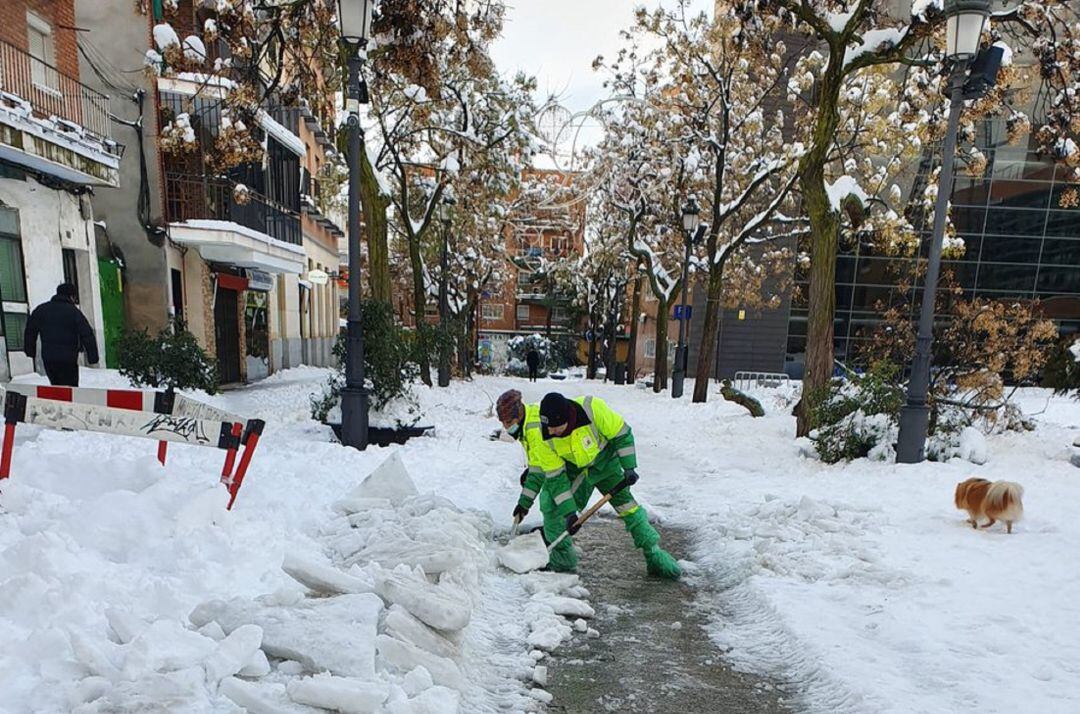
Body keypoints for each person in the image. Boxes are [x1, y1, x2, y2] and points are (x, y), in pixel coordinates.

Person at [496, 389, 681, 579]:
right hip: (577, 469)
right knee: (551, 503)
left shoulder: (593, 409)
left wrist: (629, 467)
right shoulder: (545, 436)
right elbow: (556, 479)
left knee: (627, 506)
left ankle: (653, 552)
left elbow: (622, 434)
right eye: (547, 429)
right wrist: (569, 512)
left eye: (554, 428)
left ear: (566, 420)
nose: (550, 433)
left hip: (605, 464)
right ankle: (563, 558)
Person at [23, 283, 99, 387]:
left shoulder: (41, 310)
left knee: (56, 388)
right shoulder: (74, 312)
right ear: (71, 296)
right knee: (71, 390)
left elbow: (30, 331)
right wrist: (92, 357)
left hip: (49, 359)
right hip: (69, 360)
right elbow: (87, 334)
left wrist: (30, 351)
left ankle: (58, 403)